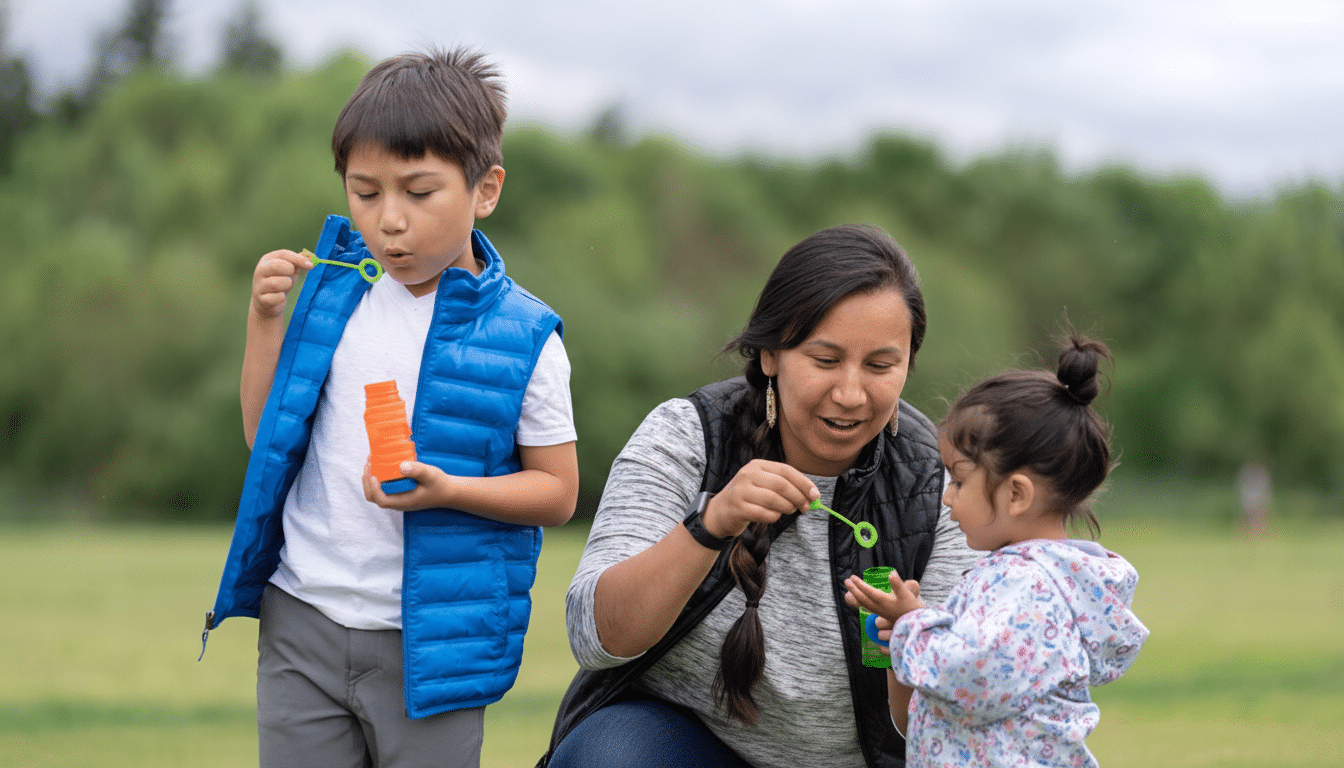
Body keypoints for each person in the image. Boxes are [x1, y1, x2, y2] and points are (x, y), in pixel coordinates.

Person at [203, 48, 579, 768]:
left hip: (433, 644)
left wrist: (450, 490)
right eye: (365, 193)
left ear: (486, 189)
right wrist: (263, 318)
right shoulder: (333, 296)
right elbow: (264, 437)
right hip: (301, 618)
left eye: (418, 191)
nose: (389, 222)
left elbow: (558, 493)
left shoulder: (525, 336)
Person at [540, 225, 979, 768]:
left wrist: (914, 646)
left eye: (879, 366)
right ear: (770, 355)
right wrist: (710, 525)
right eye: (824, 359)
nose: (849, 393)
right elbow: (597, 636)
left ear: (908, 363)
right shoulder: (687, 436)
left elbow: (951, 720)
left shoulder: (941, 486)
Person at [844, 336, 1148, 767]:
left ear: (1017, 494)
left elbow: (972, 675)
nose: (947, 497)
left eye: (959, 480)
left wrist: (915, 625)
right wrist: (906, 630)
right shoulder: (1032, 581)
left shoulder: (1027, 586)